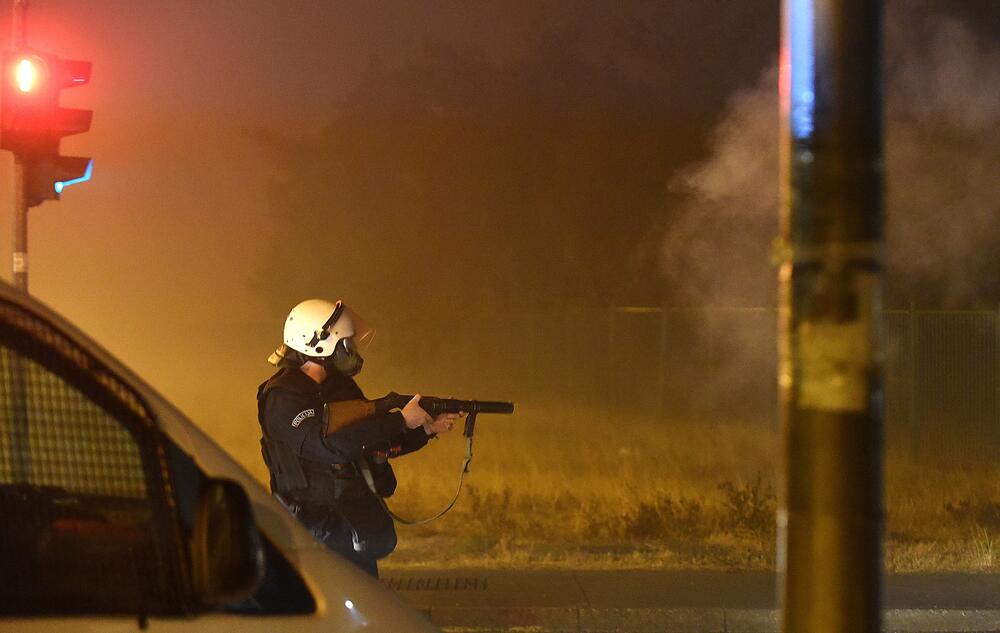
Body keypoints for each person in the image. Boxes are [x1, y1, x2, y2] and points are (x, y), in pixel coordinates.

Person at [257, 298, 459, 577]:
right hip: (310, 528)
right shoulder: (283, 397)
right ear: (319, 343)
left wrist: (423, 430)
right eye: (345, 343)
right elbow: (327, 446)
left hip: (349, 521)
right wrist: (400, 419)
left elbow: (370, 443)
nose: (351, 350)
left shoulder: (339, 388)